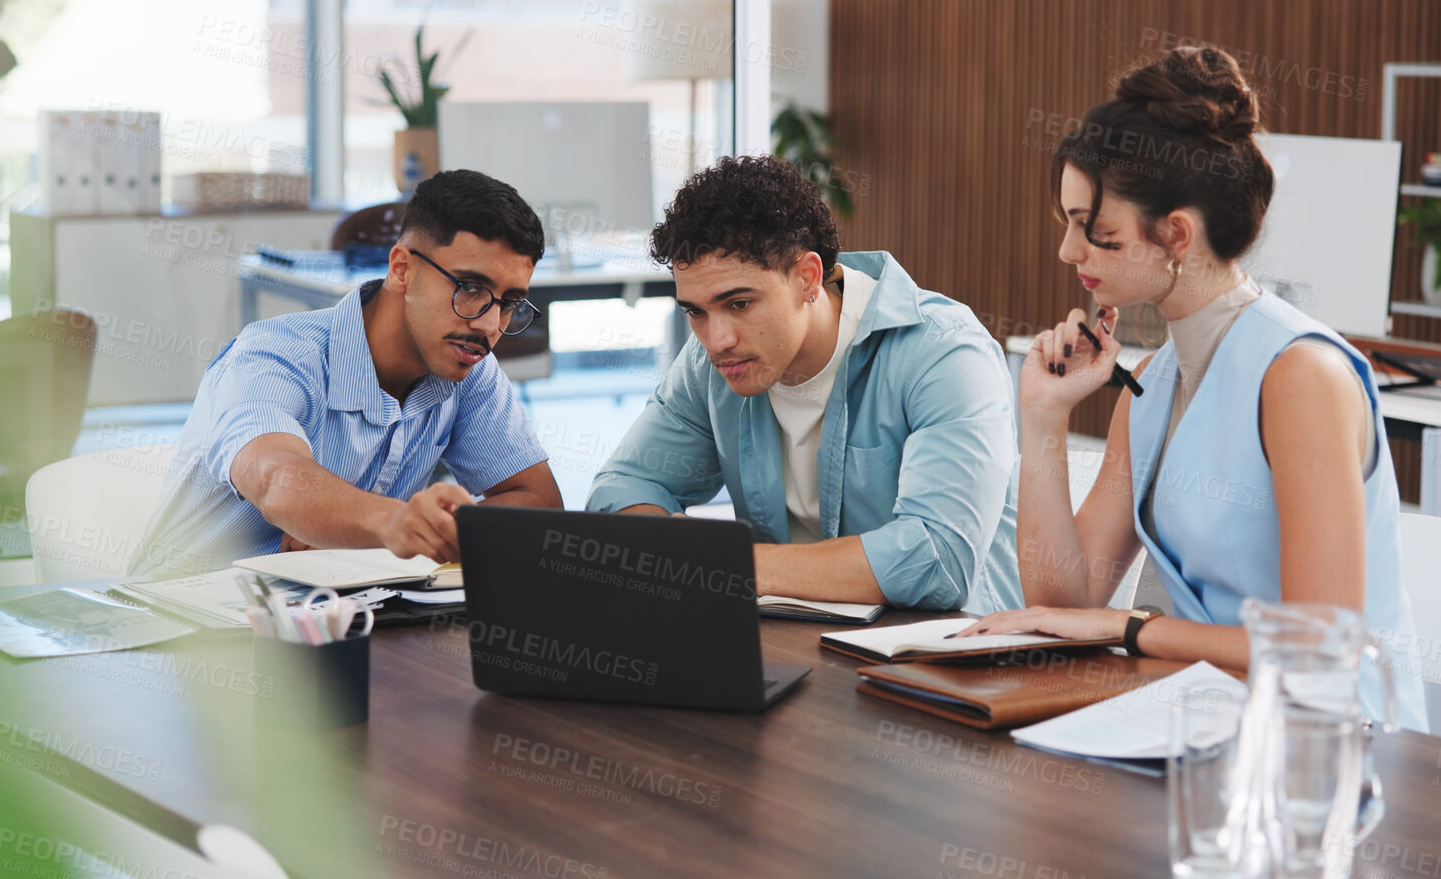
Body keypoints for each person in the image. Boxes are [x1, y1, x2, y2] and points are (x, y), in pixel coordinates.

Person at [958, 47, 1425, 728]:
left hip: (1330, 746)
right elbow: (1065, 604)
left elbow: (1319, 652)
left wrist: (1131, 628)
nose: (1068, 252)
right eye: (1066, 224)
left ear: (1176, 233)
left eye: (1097, 233)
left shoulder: (1301, 376)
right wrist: (1042, 417)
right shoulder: (1151, 383)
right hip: (1208, 720)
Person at [586, 155, 1022, 614]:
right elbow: (622, 488)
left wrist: (725, 566)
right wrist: (682, 552)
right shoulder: (710, 362)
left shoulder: (944, 353)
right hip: (794, 645)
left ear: (808, 278)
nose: (716, 340)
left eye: (738, 303)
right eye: (695, 311)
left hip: (955, 657)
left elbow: (938, 561)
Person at [132, 169, 562, 576]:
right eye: (470, 289)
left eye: (509, 303)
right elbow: (277, 481)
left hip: (330, 622)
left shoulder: (466, 367)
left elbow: (539, 504)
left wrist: (361, 535)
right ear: (402, 270)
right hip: (174, 625)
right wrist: (395, 525)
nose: (490, 326)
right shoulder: (272, 355)